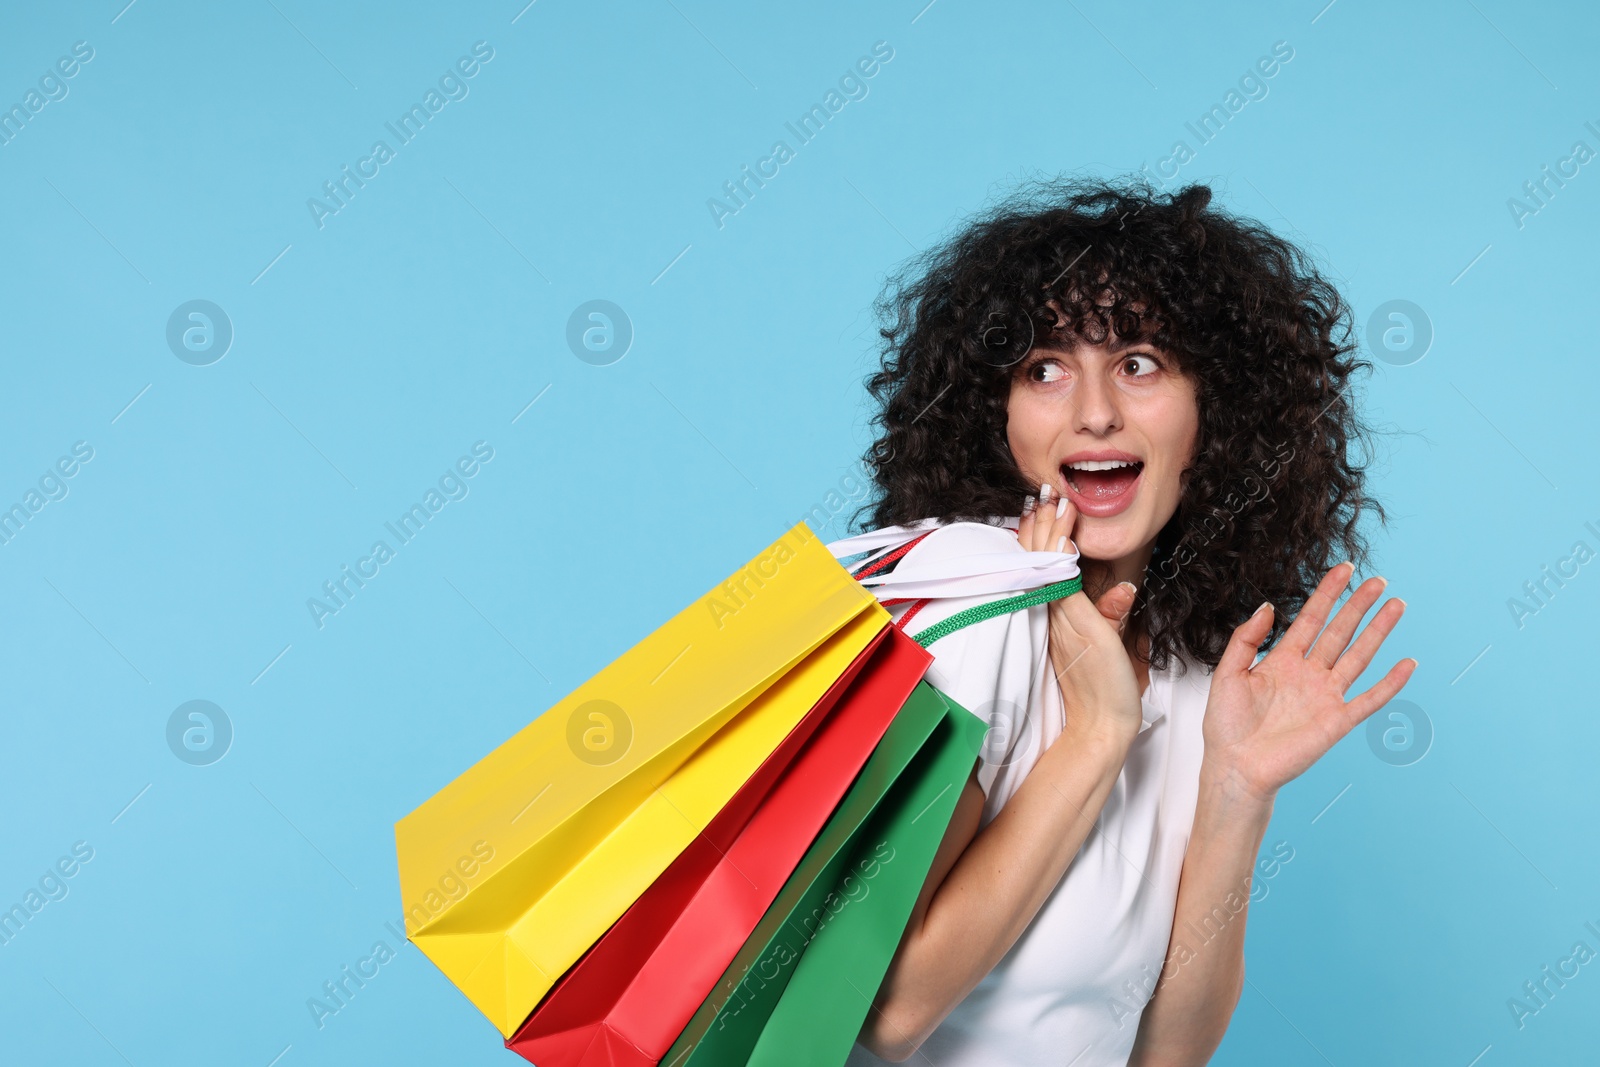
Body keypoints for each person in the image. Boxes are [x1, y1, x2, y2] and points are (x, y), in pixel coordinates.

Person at [841, 176, 1417, 1066]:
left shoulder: (1200, 672)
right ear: (998, 418)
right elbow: (888, 1011)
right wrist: (1100, 730)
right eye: (1044, 368)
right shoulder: (971, 627)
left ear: (1211, 415)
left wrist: (1237, 788)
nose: (1096, 410)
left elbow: (1167, 1053)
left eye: (1139, 363)